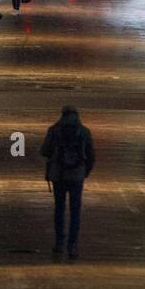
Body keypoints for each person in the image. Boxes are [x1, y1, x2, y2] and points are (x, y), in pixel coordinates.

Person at [40, 104, 95, 260]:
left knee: (59, 208)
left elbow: (44, 151)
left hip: (59, 174)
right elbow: (91, 156)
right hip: (77, 175)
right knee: (75, 210)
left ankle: (59, 242)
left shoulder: (54, 130)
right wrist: (85, 172)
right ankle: (73, 244)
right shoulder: (84, 132)